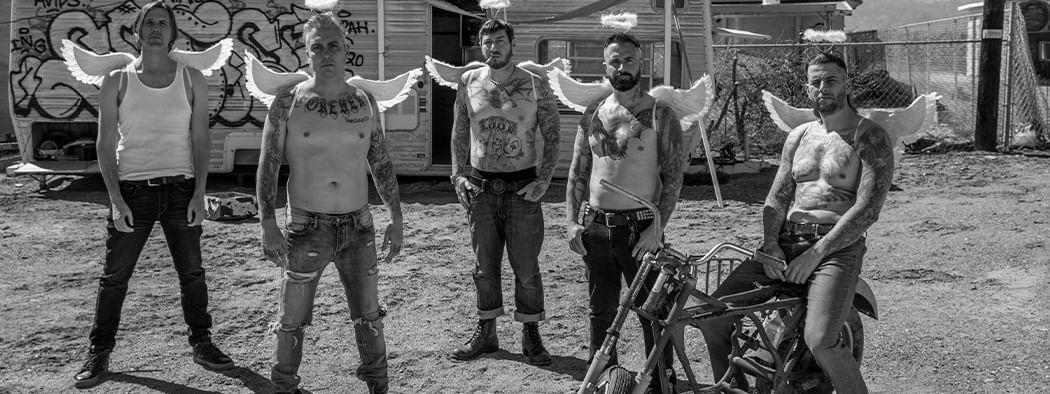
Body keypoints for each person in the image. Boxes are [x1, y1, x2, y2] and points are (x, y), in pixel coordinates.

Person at [698, 52, 894, 394]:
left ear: (847, 84)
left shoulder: (870, 136)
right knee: (711, 316)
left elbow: (867, 210)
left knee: (820, 340)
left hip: (835, 249)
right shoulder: (799, 136)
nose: (823, 87)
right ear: (807, 89)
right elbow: (777, 198)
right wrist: (771, 244)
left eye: (831, 80)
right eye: (816, 82)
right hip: (787, 242)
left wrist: (815, 254)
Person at [74, 1, 233, 389]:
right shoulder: (117, 80)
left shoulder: (191, 78)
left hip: (181, 190)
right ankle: (99, 352)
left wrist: (199, 193)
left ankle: (202, 343)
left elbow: (201, 138)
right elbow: (104, 144)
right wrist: (116, 200)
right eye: (149, 23)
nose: (156, 29)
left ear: (173, 33)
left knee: (192, 274)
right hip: (133, 192)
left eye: (163, 23)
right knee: (115, 277)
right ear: (137, 32)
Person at [255, 12, 404, 394]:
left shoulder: (365, 101)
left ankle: (379, 386)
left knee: (369, 315)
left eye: (333, 45)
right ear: (307, 53)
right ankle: (284, 386)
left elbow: (380, 162)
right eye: (317, 47)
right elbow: (269, 163)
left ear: (346, 49)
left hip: (359, 226)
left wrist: (395, 217)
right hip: (306, 227)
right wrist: (267, 223)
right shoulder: (288, 101)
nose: (326, 54)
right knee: (291, 318)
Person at [564, 32, 687, 393]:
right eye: (615, 61)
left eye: (629, 60)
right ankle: (606, 378)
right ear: (605, 66)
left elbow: (674, 177)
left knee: (651, 309)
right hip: (596, 226)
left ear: (640, 63)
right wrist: (571, 222)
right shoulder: (593, 113)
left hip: (640, 229)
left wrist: (656, 229)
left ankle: (660, 381)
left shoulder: (661, 115)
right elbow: (578, 170)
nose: (622, 67)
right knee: (600, 309)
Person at [448, 18, 560, 366]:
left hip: (522, 189)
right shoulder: (468, 82)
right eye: (487, 42)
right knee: (484, 266)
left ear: (512, 44)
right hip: (481, 189)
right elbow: (459, 131)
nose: (493, 47)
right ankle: (487, 331)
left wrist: (543, 181)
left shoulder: (534, 84)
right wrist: (458, 176)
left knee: (526, 268)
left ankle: (531, 334)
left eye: (499, 40)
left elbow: (553, 135)